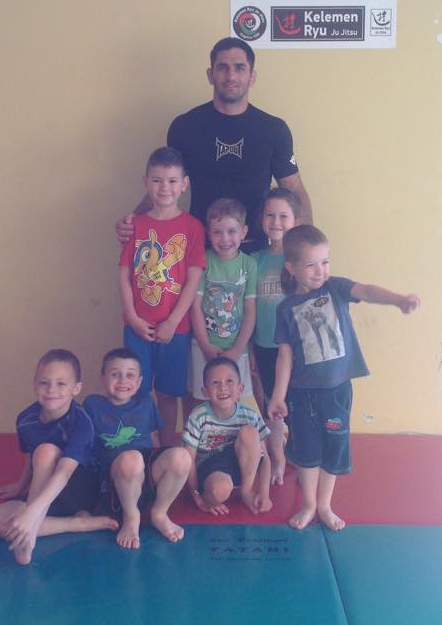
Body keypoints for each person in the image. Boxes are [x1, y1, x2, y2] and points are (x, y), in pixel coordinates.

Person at [267, 225, 419, 531]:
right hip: (302, 393)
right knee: (307, 449)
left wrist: (398, 300)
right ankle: (309, 504)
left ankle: (324, 504)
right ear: (292, 268)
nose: (320, 270)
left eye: (325, 262)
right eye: (311, 265)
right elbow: (285, 356)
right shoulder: (286, 308)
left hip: (336, 391)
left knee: (334, 446)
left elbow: (367, 291)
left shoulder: (335, 288)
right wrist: (278, 396)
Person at [116, 37, 313, 253]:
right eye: (222, 68)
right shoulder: (185, 126)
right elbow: (166, 185)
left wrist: (306, 249)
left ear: (252, 77)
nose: (231, 76)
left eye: (239, 68)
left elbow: (294, 189)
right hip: (198, 250)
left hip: (256, 253)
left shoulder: (274, 129)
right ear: (210, 75)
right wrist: (135, 219)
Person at [0, 349, 118, 565]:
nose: (51, 390)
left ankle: (29, 534)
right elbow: (31, 456)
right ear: (34, 385)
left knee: (46, 450)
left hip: (81, 491)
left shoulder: (82, 422)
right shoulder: (25, 419)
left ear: (76, 389)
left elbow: (64, 473)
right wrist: (20, 485)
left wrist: (30, 514)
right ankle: (75, 524)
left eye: (61, 384)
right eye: (44, 383)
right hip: (47, 494)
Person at [119, 147, 206, 446]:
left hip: (175, 330)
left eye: (172, 181)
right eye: (157, 180)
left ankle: (168, 448)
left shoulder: (193, 227)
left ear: (184, 184)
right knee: (136, 391)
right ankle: (141, 448)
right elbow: (124, 275)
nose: (164, 188)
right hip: (137, 327)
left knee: (169, 393)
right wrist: (132, 317)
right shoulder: (136, 225)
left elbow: (193, 280)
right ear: (145, 182)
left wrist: (172, 321)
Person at [83, 348, 192, 550]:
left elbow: (153, 438)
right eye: (115, 374)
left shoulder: (146, 402)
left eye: (130, 375)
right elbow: (83, 445)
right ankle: (131, 517)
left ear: (140, 381)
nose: (123, 381)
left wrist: (165, 469)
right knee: (132, 458)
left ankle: (159, 513)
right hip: (114, 484)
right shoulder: (92, 404)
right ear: (103, 378)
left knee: (181, 455)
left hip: (144, 476)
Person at [250, 187, 302, 485]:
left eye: (284, 216)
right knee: (273, 406)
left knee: (298, 403)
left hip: (296, 349)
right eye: (270, 215)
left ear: (295, 220)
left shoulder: (301, 260)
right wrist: (250, 350)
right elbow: (250, 309)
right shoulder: (254, 260)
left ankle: (300, 453)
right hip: (266, 345)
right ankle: (277, 459)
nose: (276, 222)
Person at [188, 198, 257, 416]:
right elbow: (195, 307)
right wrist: (206, 346)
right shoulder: (203, 260)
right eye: (217, 232)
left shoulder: (249, 265)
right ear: (208, 233)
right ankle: (198, 436)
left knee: (233, 401)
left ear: (244, 232)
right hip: (203, 346)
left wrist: (237, 349)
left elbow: (250, 311)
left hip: (237, 348)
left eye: (231, 231)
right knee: (201, 399)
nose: (225, 239)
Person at [183, 357, 273, 516]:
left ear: (240, 388)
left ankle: (246, 491)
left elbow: (264, 458)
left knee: (250, 432)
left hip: (240, 464)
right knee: (220, 490)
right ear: (205, 392)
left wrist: (264, 493)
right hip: (210, 469)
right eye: (215, 383)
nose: (223, 387)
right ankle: (217, 491)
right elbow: (188, 459)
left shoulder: (249, 415)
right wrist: (198, 497)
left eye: (229, 381)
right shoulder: (198, 416)